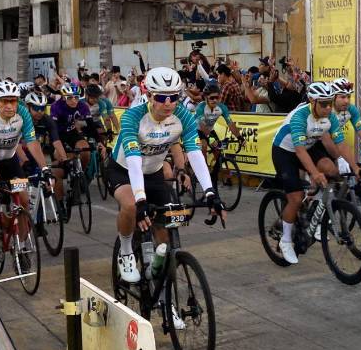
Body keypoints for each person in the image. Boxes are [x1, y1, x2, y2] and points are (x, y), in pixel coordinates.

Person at [109, 68, 225, 284]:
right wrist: (141, 199)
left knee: (165, 233)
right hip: (124, 170)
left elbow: (195, 153)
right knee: (132, 206)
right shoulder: (133, 117)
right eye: (162, 98)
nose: (169, 103)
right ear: (150, 96)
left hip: (153, 172)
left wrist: (210, 192)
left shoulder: (183, 117)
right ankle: (126, 252)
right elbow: (134, 159)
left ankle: (163, 296)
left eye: (174, 97)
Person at [271, 82, 359, 264]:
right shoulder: (300, 117)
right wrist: (314, 173)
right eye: (323, 104)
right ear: (312, 101)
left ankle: (316, 217)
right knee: (295, 197)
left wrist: (356, 167)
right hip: (285, 150)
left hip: (309, 145)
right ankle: (286, 240)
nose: (328, 108)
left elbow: (341, 144)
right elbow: (299, 151)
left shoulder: (331, 118)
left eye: (329, 103)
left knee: (331, 170)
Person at [0, 81, 50, 237]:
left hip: (10, 160)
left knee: (23, 198)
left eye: (13, 101)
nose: (9, 106)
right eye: (4, 101)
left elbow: (32, 142)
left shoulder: (23, 113)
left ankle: (22, 246)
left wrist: (45, 168)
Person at [51, 83, 96, 170]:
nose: (74, 101)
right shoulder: (56, 106)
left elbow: (91, 125)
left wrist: (99, 142)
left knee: (86, 152)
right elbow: (54, 130)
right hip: (58, 135)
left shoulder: (83, 106)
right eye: (70, 97)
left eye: (76, 97)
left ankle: (81, 173)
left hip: (72, 133)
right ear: (63, 97)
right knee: (59, 167)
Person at [194, 83, 245, 157]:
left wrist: (239, 137)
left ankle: (216, 167)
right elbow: (202, 126)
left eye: (217, 97)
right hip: (196, 130)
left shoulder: (222, 108)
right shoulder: (200, 107)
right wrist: (211, 138)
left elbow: (230, 124)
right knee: (203, 146)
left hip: (209, 130)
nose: (215, 100)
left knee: (218, 152)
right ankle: (201, 167)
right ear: (205, 98)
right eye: (212, 98)